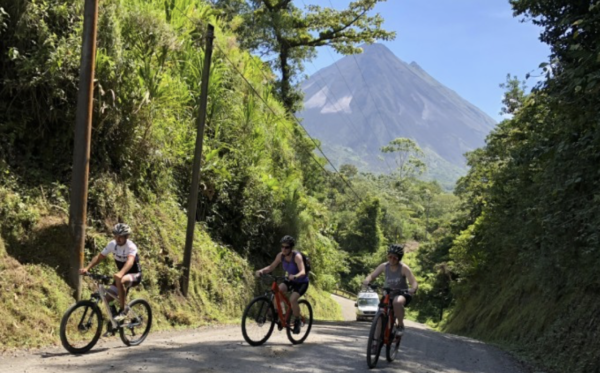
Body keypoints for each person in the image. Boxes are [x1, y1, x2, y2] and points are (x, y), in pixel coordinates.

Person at [79, 223, 142, 321]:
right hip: (120, 275)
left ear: (126, 237)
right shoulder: (112, 244)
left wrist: (120, 273)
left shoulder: (131, 246)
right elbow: (99, 257)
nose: (118, 239)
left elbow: (130, 262)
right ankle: (114, 324)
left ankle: (123, 310)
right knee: (107, 299)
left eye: (120, 237)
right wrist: (87, 268)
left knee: (121, 279)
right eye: (116, 236)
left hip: (135, 275)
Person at [255, 235, 309, 334]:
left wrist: (295, 276)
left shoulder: (297, 257)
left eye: (286, 247)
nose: (284, 249)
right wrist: (262, 271)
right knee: (277, 291)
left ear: (291, 248)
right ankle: (281, 315)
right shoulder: (280, 256)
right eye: (282, 247)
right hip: (290, 280)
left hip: (301, 282)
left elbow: (303, 272)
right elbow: (271, 267)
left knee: (292, 300)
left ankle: (297, 320)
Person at [362, 243, 418, 338]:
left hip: (401, 293)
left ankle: (400, 325)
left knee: (397, 302)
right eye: (390, 257)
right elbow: (372, 275)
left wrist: (412, 289)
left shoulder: (403, 268)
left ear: (399, 258)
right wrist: (367, 281)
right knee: (379, 317)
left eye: (395, 258)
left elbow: (414, 282)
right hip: (388, 293)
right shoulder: (384, 266)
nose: (392, 259)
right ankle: (375, 343)